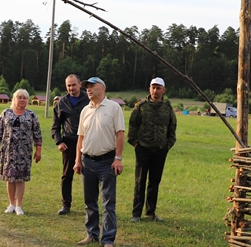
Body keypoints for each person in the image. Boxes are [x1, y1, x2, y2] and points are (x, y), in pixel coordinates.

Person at [74, 77, 124, 247]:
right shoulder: (85, 110)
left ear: (102, 88)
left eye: (92, 86)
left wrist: (118, 159)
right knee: (90, 201)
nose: (88, 89)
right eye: (87, 87)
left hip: (107, 161)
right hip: (87, 161)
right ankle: (92, 234)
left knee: (108, 201)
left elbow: (120, 134)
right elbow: (80, 138)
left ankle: (108, 239)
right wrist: (77, 160)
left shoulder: (113, 107)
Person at [128, 77, 176, 223]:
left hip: (160, 150)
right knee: (140, 181)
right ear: (149, 88)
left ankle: (150, 212)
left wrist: (168, 145)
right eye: (153, 87)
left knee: (154, 181)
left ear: (163, 90)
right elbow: (133, 126)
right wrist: (135, 143)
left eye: (158, 88)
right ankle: (136, 213)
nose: (155, 91)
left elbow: (172, 128)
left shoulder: (167, 109)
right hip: (143, 148)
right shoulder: (141, 107)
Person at [0, 89, 42, 216]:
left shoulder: (31, 115)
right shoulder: (6, 113)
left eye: (25, 98)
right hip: (8, 151)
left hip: (24, 152)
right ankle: (11, 204)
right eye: (19, 97)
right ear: (14, 99)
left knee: (20, 178)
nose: (22, 100)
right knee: (10, 178)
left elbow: (37, 134)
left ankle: (18, 205)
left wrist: (38, 150)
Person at [51, 74, 90, 215]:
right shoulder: (61, 103)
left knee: (88, 175)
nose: (71, 88)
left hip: (87, 142)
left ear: (80, 84)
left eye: (74, 85)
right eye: (68, 85)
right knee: (67, 175)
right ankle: (66, 205)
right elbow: (55, 126)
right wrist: (59, 141)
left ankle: (90, 205)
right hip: (68, 142)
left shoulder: (88, 99)